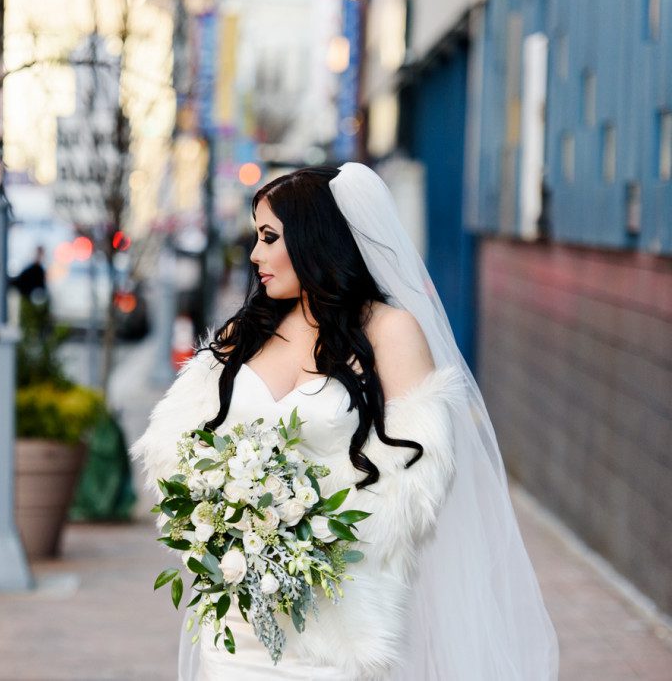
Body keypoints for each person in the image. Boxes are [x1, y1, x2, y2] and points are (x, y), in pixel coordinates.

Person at [131, 164, 559, 680]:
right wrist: (225, 524)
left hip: (335, 618)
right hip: (240, 612)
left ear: (317, 240)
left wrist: (306, 538)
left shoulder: (388, 331)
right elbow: (175, 444)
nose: (255, 255)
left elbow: (417, 481)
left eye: (270, 237)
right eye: (256, 237)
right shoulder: (244, 331)